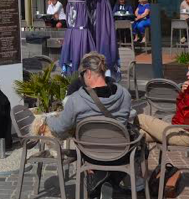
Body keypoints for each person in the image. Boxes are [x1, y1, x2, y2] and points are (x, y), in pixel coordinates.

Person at [34, 52, 134, 198]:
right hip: (120, 153)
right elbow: (125, 120)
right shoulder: (125, 95)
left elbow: (60, 127)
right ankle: (110, 181)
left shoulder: (76, 100)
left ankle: (102, 178)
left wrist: (46, 119)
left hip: (90, 155)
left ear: (87, 73)